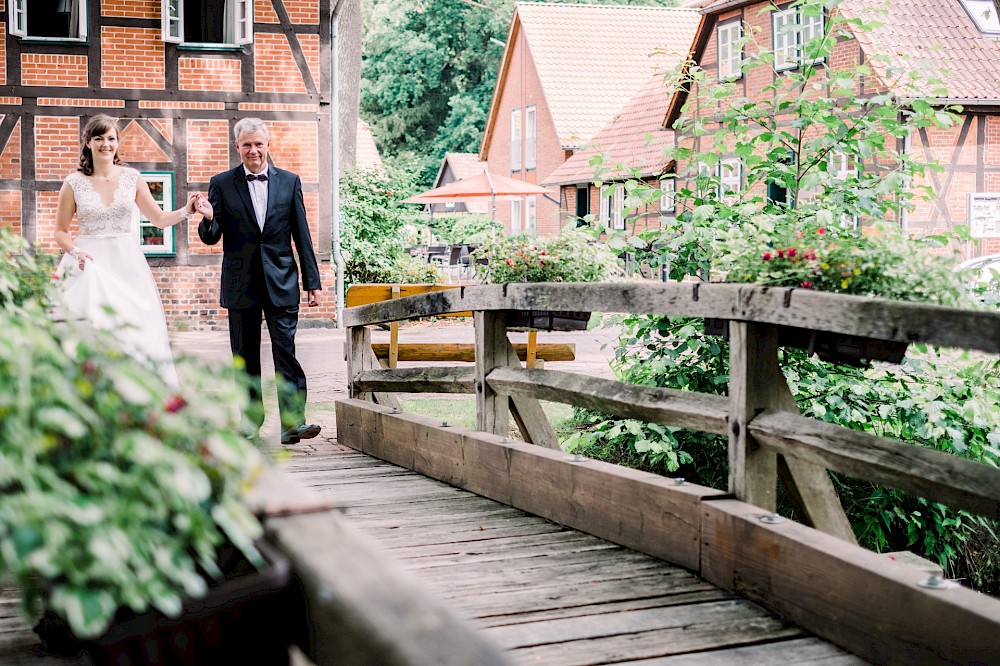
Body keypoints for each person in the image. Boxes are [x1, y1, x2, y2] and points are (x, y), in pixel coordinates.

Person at [195, 117, 323, 445]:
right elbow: (212, 237)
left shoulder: (290, 182)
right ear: (237, 147)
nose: (253, 150)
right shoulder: (221, 184)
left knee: (286, 354)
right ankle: (250, 424)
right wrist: (208, 217)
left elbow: (302, 235)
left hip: (282, 281)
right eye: (247, 144)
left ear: (268, 145)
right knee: (245, 357)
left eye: (258, 144)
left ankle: (292, 424)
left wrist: (312, 282)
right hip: (241, 284)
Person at [54, 114, 198, 387]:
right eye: (99, 138)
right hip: (88, 265)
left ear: (118, 143)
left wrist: (185, 211)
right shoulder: (73, 183)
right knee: (88, 330)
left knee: (135, 331)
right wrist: (76, 252)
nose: (105, 144)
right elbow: (60, 231)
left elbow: (157, 219)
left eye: (111, 139)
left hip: (127, 265)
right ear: (88, 143)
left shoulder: (133, 178)